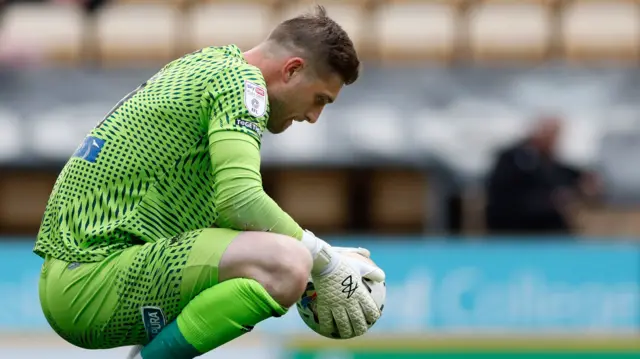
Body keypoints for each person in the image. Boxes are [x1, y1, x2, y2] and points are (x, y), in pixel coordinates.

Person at [34, 6, 385, 359]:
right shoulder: (241, 83)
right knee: (288, 266)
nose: (313, 116)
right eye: (319, 99)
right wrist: (322, 258)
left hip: (78, 276)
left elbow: (228, 215)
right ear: (292, 69)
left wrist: (322, 255)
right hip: (91, 279)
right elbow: (241, 201)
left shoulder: (210, 62)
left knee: (274, 253)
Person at [484, 116, 601, 235]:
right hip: (515, 229)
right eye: (549, 133)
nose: (553, 140)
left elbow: (569, 175)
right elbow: (506, 197)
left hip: (544, 230)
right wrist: (549, 201)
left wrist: (584, 180)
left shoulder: (547, 162)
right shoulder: (512, 160)